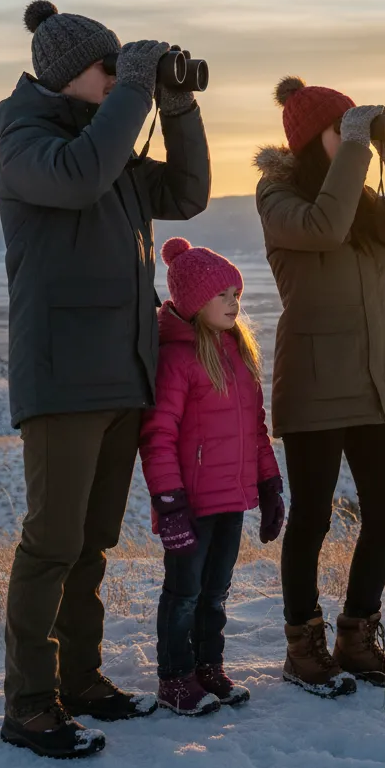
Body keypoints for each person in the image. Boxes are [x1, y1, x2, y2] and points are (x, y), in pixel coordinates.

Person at [0, 0, 211, 758]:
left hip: (121, 373)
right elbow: (81, 179)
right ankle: (27, 705)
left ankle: (79, 682)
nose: (121, 80)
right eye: (108, 69)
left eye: (126, 68)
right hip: (63, 377)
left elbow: (187, 194)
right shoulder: (28, 141)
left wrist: (174, 104)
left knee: (90, 545)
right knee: (51, 544)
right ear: (64, 75)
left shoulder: (104, 141)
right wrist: (135, 94)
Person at [254, 76, 385, 698]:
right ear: (314, 140)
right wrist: (361, 147)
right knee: (311, 520)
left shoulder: (361, 199)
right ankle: (302, 646)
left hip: (374, 381)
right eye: (343, 130)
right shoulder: (278, 197)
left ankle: (356, 638)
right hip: (313, 384)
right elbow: (325, 226)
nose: (355, 140)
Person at [140, 238, 283, 715]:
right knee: (184, 593)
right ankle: (174, 677)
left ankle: (208, 668)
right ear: (194, 302)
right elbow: (158, 436)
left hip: (232, 500)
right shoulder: (178, 360)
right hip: (192, 504)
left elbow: (255, 430)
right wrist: (169, 503)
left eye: (235, 293)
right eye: (221, 294)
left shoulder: (238, 355)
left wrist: (269, 485)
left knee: (216, 593)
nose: (233, 302)